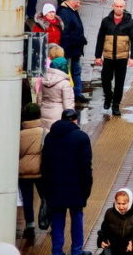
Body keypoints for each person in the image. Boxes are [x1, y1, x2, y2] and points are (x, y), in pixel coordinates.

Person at [40, 108, 93, 255]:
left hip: (54, 187)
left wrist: (45, 188)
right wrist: (87, 188)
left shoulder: (50, 137)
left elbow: (44, 164)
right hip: (75, 187)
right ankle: (76, 250)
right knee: (76, 217)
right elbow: (86, 166)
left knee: (57, 219)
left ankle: (57, 251)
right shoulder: (81, 137)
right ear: (75, 120)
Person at [94, 0, 133, 115]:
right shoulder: (106, 21)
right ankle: (108, 97)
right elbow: (100, 39)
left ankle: (116, 105)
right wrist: (97, 56)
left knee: (119, 83)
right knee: (105, 80)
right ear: (112, 6)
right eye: (117, 6)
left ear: (124, 7)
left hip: (122, 58)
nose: (119, 8)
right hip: (108, 57)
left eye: (121, 6)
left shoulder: (130, 22)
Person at [98, 188, 133, 255]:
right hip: (114, 251)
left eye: (124, 204)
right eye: (118, 203)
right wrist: (102, 240)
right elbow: (104, 230)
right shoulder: (110, 213)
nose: (121, 207)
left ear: (130, 202)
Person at [19, 102, 44, 241]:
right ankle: (48, 222)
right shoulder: (44, 132)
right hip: (40, 171)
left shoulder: (20, 134)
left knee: (27, 199)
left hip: (23, 173)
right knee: (45, 197)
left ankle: (30, 225)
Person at [58, 0, 88, 103]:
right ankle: (74, 93)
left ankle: (77, 92)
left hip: (75, 48)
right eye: (76, 2)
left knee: (76, 70)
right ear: (69, 1)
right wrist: (77, 40)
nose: (78, 5)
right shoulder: (65, 13)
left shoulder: (72, 10)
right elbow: (65, 32)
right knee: (71, 71)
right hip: (69, 48)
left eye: (79, 2)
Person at [39, 57, 75, 131]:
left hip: (43, 112)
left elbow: (39, 99)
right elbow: (68, 104)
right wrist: (72, 119)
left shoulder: (44, 80)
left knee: (45, 137)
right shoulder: (65, 83)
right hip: (58, 114)